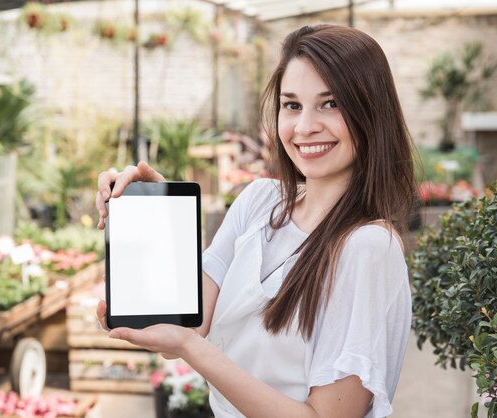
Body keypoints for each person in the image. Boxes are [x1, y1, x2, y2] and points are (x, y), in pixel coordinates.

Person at [95, 24, 415, 418]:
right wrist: (159, 215)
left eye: (330, 104)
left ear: (370, 111)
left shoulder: (366, 247)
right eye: (292, 105)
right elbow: (185, 324)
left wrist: (192, 350)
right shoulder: (259, 201)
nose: (304, 127)